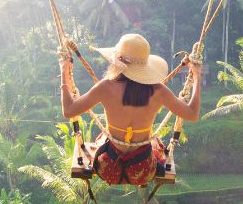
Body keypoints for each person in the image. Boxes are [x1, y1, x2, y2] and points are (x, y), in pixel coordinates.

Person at [61, 32, 201, 185]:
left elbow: (69, 111)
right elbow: (193, 114)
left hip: (108, 168)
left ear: (117, 63)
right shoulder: (158, 91)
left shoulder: (106, 87)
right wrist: (197, 77)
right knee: (155, 144)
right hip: (143, 171)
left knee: (101, 140)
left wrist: (64, 72)